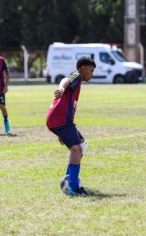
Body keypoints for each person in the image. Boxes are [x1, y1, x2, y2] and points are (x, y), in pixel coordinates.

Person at [46, 56, 96, 196]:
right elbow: (65, 80)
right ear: (82, 68)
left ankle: (69, 179)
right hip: (59, 120)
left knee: (82, 145)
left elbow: (70, 107)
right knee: (76, 149)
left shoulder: (78, 84)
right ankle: (74, 187)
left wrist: (63, 133)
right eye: (90, 70)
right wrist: (61, 89)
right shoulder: (76, 75)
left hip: (65, 121)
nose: (92, 73)